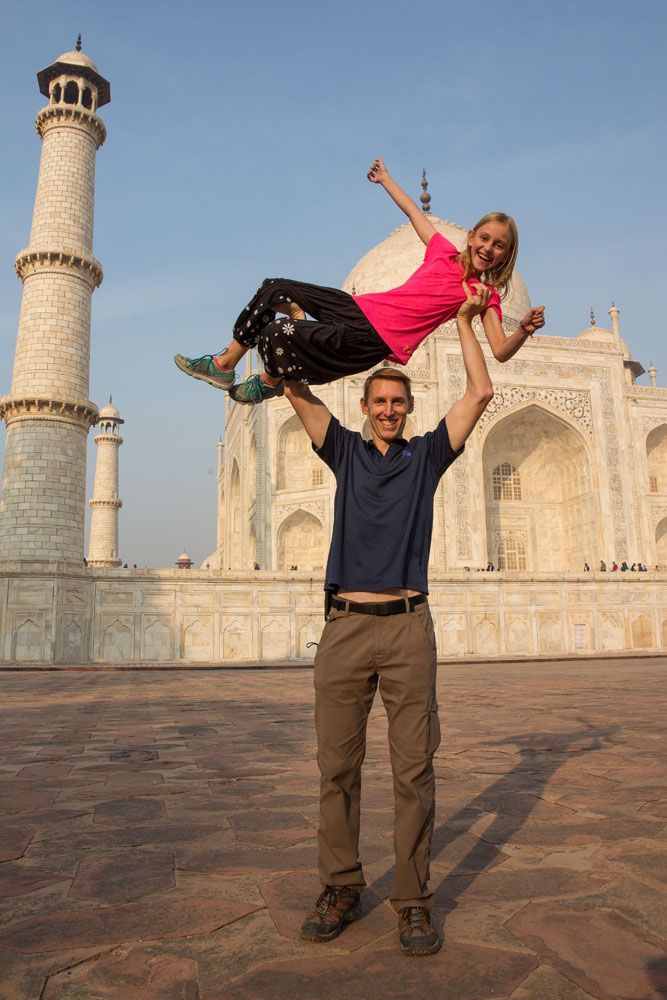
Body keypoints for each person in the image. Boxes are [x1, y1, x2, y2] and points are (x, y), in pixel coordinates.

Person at [284, 284, 495, 957]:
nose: (387, 410)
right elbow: (296, 389)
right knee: (336, 770)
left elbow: (479, 395)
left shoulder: (426, 456)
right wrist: (302, 328)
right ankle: (340, 886)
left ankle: (411, 900)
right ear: (364, 407)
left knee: (414, 772)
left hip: (407, 626)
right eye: (377, 401)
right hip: (346, 627)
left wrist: (464, 322)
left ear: (408, 408)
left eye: (397, 401)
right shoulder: (342, 451)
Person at [174, 158, 545, 405]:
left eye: (499, 246)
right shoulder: (442, 252)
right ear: (471, 236)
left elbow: (498, 349)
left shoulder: (484, 295)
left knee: (279, 334)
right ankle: (224, 364)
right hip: (359, 306)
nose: (489, 248)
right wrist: (386, 179)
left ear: (504, 255)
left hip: (376, 339)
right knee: (275, 287)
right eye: (485, 239)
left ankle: (270, 381)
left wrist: (523, 330)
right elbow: (414, 212)